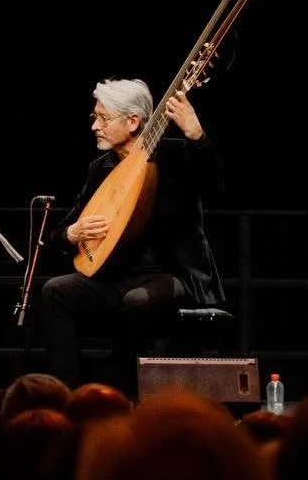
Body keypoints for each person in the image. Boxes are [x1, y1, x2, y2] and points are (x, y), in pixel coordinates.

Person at [42, 78, 221, 387]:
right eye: (94, 117)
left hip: (172, 276)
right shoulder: (101, 168)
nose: (94, 126)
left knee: (136, 301)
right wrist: (72, 232)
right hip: (116, 276)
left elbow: (213, 183)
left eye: (103, 118)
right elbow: (63, 230)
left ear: (133, 121)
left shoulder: (173, 156)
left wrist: (196, 135)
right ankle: (66, 396)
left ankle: (122, 396)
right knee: (56, 290)